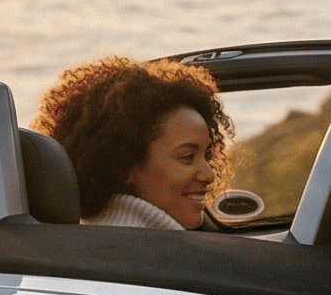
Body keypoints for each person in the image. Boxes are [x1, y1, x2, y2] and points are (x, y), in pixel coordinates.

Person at [34, 56, 233, 230]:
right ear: (125, 165)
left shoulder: (103, 239)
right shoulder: (149, 259)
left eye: (206, 155)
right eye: (187, 157)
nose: (209, 174)